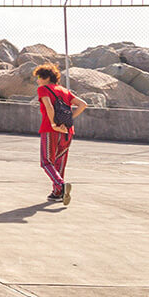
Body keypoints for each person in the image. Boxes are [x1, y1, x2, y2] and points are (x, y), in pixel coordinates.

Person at [34, 63, 86, 205]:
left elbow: (49, 106)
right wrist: (69, 119)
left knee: (46, 161)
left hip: (51, 130)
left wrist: (54, 124)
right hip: (68, 131)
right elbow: (83, 104)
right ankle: (57, 193)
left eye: (38, 77)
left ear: (45, 77)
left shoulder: (43, 89)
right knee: (59, 162)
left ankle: (60, 185)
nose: (37, 80)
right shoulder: (64, 90)